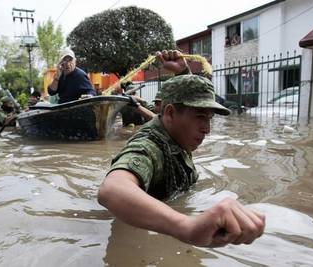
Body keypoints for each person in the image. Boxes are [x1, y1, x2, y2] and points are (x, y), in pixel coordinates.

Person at [98, 50, 265, 247]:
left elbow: (181, 108)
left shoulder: (176, 133)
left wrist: (183, 71)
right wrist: (186, 226)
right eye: (201, 117)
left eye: (209, 119)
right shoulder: (149, 147)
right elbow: (112, 190)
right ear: (169, 113)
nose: (207, 130)